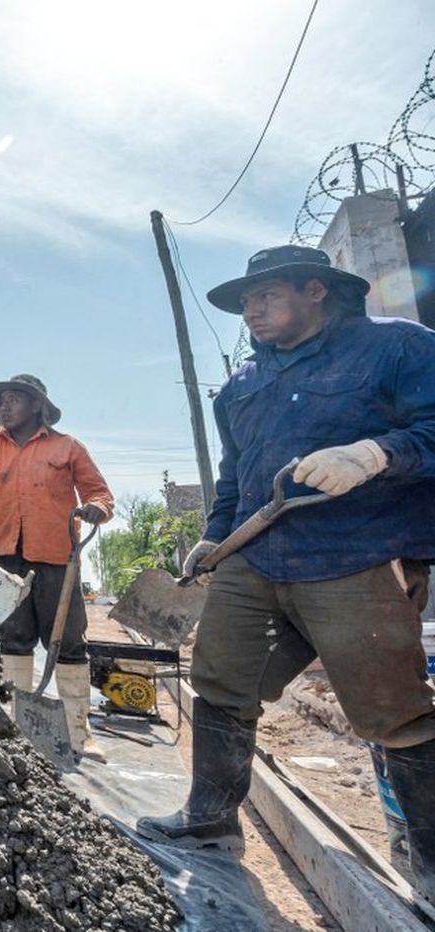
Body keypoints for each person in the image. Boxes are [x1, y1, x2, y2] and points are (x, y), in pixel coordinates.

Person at [135, 245, 435, 907]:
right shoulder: (241, 387)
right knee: (219, 680)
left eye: (265, 297)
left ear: (317, 290)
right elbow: (239, 477)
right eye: (244, 303)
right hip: (257, 559)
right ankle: (211, 818)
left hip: (357, 554)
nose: (251, 312)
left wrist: (377, 453)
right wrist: (216, 534)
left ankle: (431, 863)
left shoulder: (398, 350)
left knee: (392, 711)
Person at [0, 373, 114, 762]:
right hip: (4, 558)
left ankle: (80, 734)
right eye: (1, 401)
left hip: (58, 557)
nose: (3, 407)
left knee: (69, 641)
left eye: (13, 400)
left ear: (37, 406)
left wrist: (97, 508)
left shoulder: (67, 448)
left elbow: (99, 492)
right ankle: (16, 727)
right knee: (14, 638)